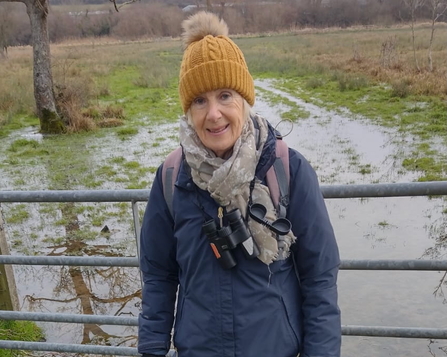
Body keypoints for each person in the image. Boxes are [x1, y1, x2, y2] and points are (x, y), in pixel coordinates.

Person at [138, 11, 341, 357]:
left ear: (244, 99)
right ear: (188, 110)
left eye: (225, 95)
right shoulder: (173, 178)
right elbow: (158, 276)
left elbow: (319, 277)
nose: (213, 113)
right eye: (200, 100)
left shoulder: (286, 170)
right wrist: (152, 349)